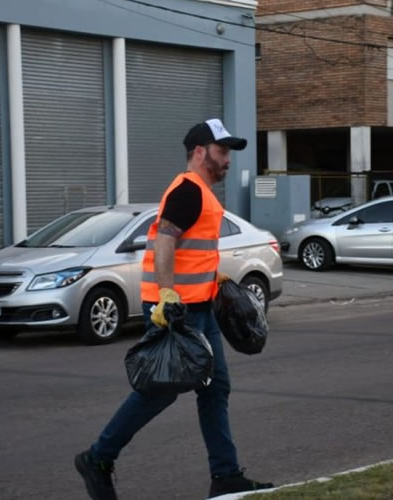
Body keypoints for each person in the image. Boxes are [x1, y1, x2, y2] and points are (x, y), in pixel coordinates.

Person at [75, 119, 274, 500]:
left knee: (216, 389)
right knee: (159, 390)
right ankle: (98, 458)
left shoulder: (201, 193)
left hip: (199, 308)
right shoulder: (188, 190)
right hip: (175, 309)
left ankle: (226, 475)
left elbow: (190, 252)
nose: (228, 159)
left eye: (229, 152)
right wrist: (167, 296)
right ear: (200, 152)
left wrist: (215, 282)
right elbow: (165, 240)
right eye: (222, 151)